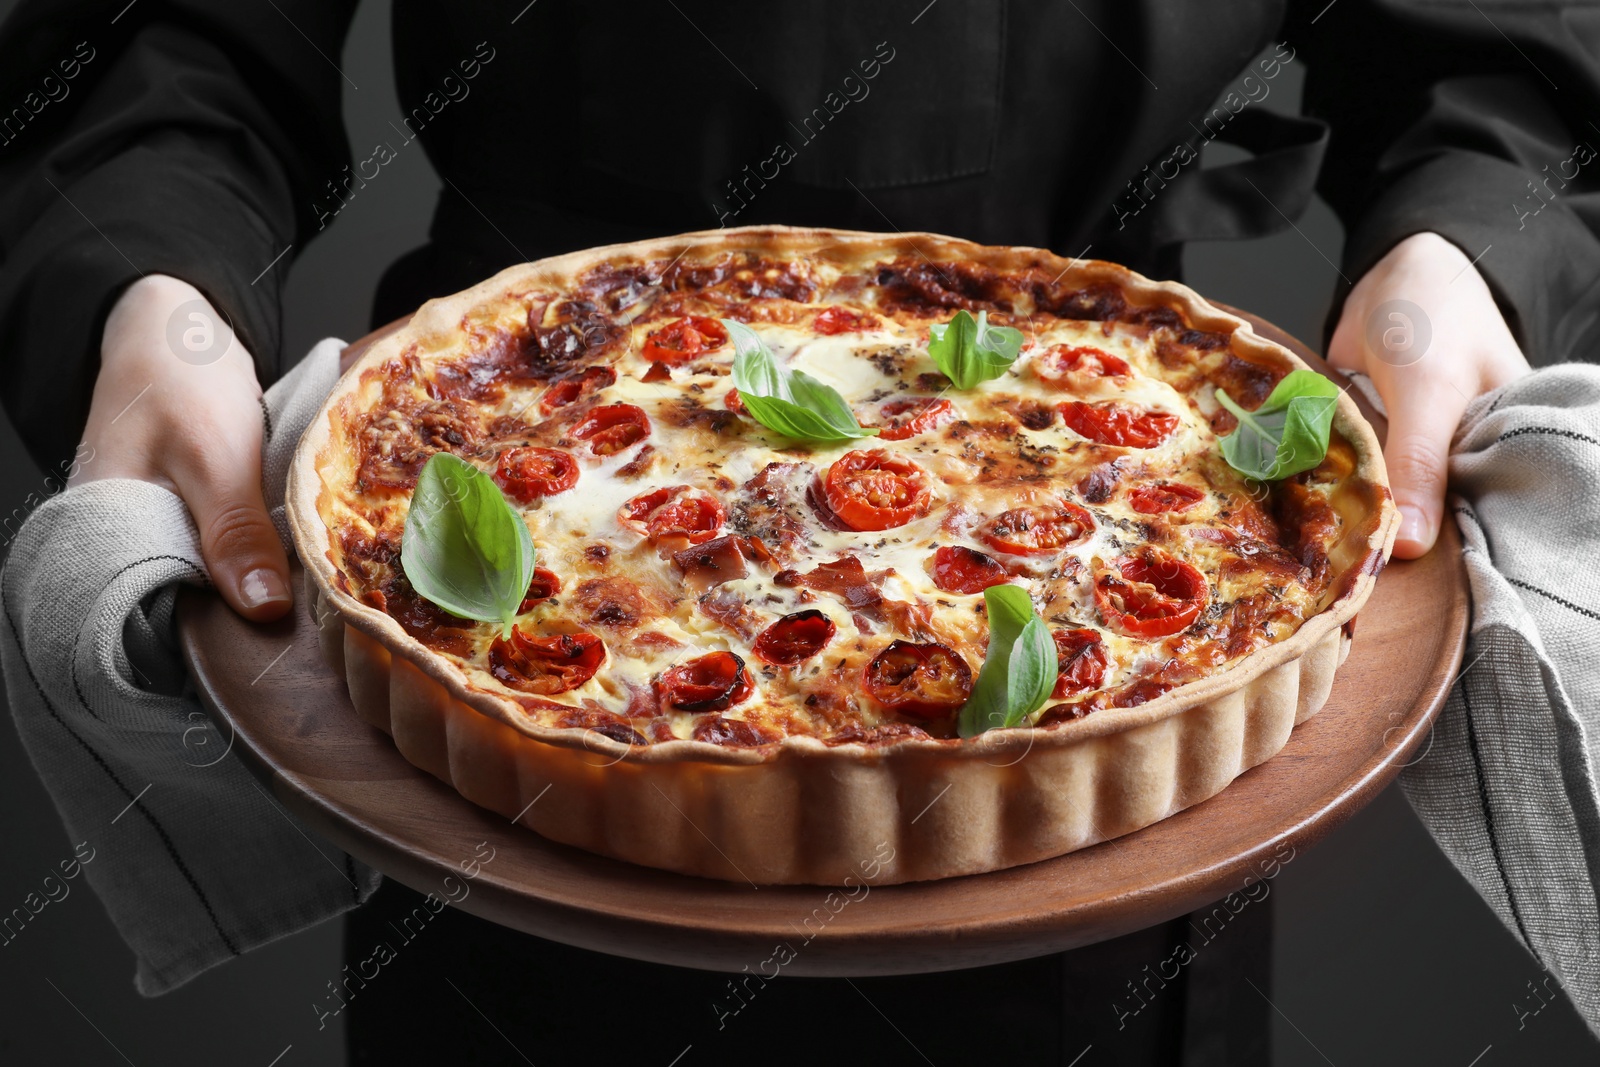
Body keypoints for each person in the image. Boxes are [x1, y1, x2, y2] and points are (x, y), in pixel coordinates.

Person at [1, 1, 1594, 1063]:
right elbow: (157, 30)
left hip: (1131, 612)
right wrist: (153, 287)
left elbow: (1504, 38)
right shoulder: (419, 466)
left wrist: (1464, 243)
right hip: (512, 483)